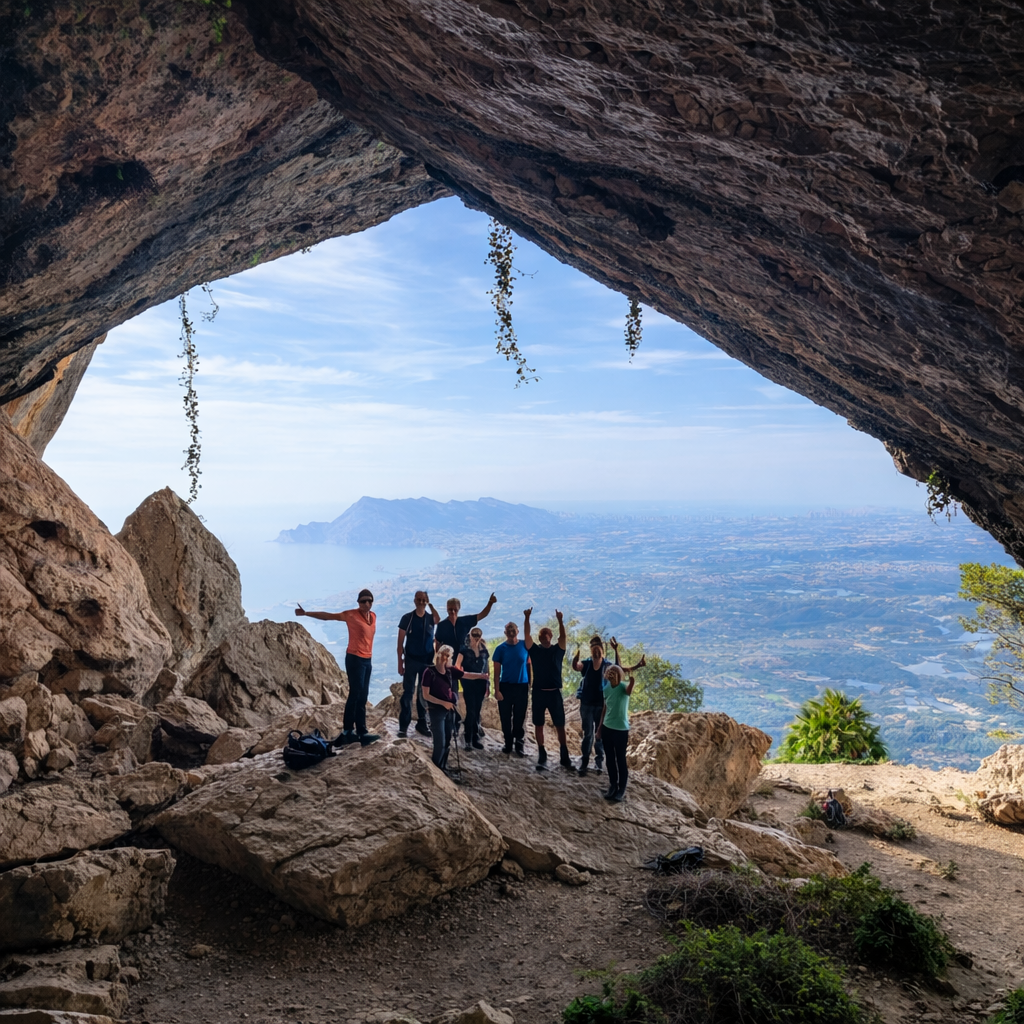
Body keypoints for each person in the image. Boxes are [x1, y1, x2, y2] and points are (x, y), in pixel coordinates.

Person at [295, 591, 379, 745]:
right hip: (354, 659)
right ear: (358, 602)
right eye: (363, 601)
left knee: (363, 695)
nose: (366, 604)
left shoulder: (373, 616)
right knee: (355, 693)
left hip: (368, 660)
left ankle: (361, 731)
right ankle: (349, 731)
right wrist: (306, 613)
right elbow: (328, 616)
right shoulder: (351, 615)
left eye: (369, 601)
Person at [523, 608, 574, 773]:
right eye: (542, 635)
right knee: (538, 724)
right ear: (539, 638)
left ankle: (564, 754)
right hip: (539, 692)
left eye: (547, 635)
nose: (544, 637)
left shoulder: (558, 651)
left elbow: (564, 637)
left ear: (551, 637)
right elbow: (527, 636)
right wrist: (527, 618)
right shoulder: (535, 651)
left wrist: (560, 621)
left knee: (560, 724)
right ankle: (542, 754)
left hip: (554, 693)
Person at [397, 591, 440, 738]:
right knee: (408, 693)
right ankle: (403, 726)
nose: (421, 602)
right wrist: (400, 663)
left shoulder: (430, 619)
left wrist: (431, 605)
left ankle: (422, 723)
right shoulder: (407, 618)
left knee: (423, 693)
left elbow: (438, 619)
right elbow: (400, 643)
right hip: (411, 660)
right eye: (419, 599)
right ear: (414, 601)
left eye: (424, 600)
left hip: (427, 662)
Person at [492, 620, 531, 756]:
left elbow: (529, 665)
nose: (510, 631)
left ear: (517, 631)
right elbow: (496, 673)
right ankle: (508, 743)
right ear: (505, 633)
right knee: (505, 717)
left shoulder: (524, 646)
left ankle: (519, 744)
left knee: (520, 717)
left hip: (522, 686)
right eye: (508, 629)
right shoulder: (500, 649)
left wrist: (530, 684)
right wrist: (497, 690)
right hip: (506, 686)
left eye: (513, 629)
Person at [422, 645, 463, 772]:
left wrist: (482, 676)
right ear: (438, 654)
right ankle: (435, 769)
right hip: (436, 710)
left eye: (447, 655)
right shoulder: (429, 672)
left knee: (447, 740)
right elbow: (426, 695)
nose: (444, 657)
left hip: (449, 710)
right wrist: (443, 703)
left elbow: (465, 674)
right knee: (439, 742)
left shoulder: (449, 671)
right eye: (442, 654)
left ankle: (442, 766)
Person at [598, 665, 634, 801]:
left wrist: (632, 682)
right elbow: (604, 709)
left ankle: (621, 789)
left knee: (620, 760)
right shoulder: (606, 689)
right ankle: (613, 785)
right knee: (610, 759)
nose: (611, 675)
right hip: (608, 727)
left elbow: (629, 691)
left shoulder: (623, 687)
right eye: (609, 673)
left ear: (619, 675)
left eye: (613, 673)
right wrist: (599, 729)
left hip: (621, 729)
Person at [455, 627, 490, 750]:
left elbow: (486, 667)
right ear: (469, 635)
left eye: (478, 635)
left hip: (481, 684)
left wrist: (488, 683)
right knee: (471, 710)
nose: (475, 637)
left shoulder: (484, 650)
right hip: (468, 683)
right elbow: (457, 667)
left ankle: (475, 737)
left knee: (477, 709)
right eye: (474, 634)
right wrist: (463, 675)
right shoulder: (464, 650)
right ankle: (467, 737)